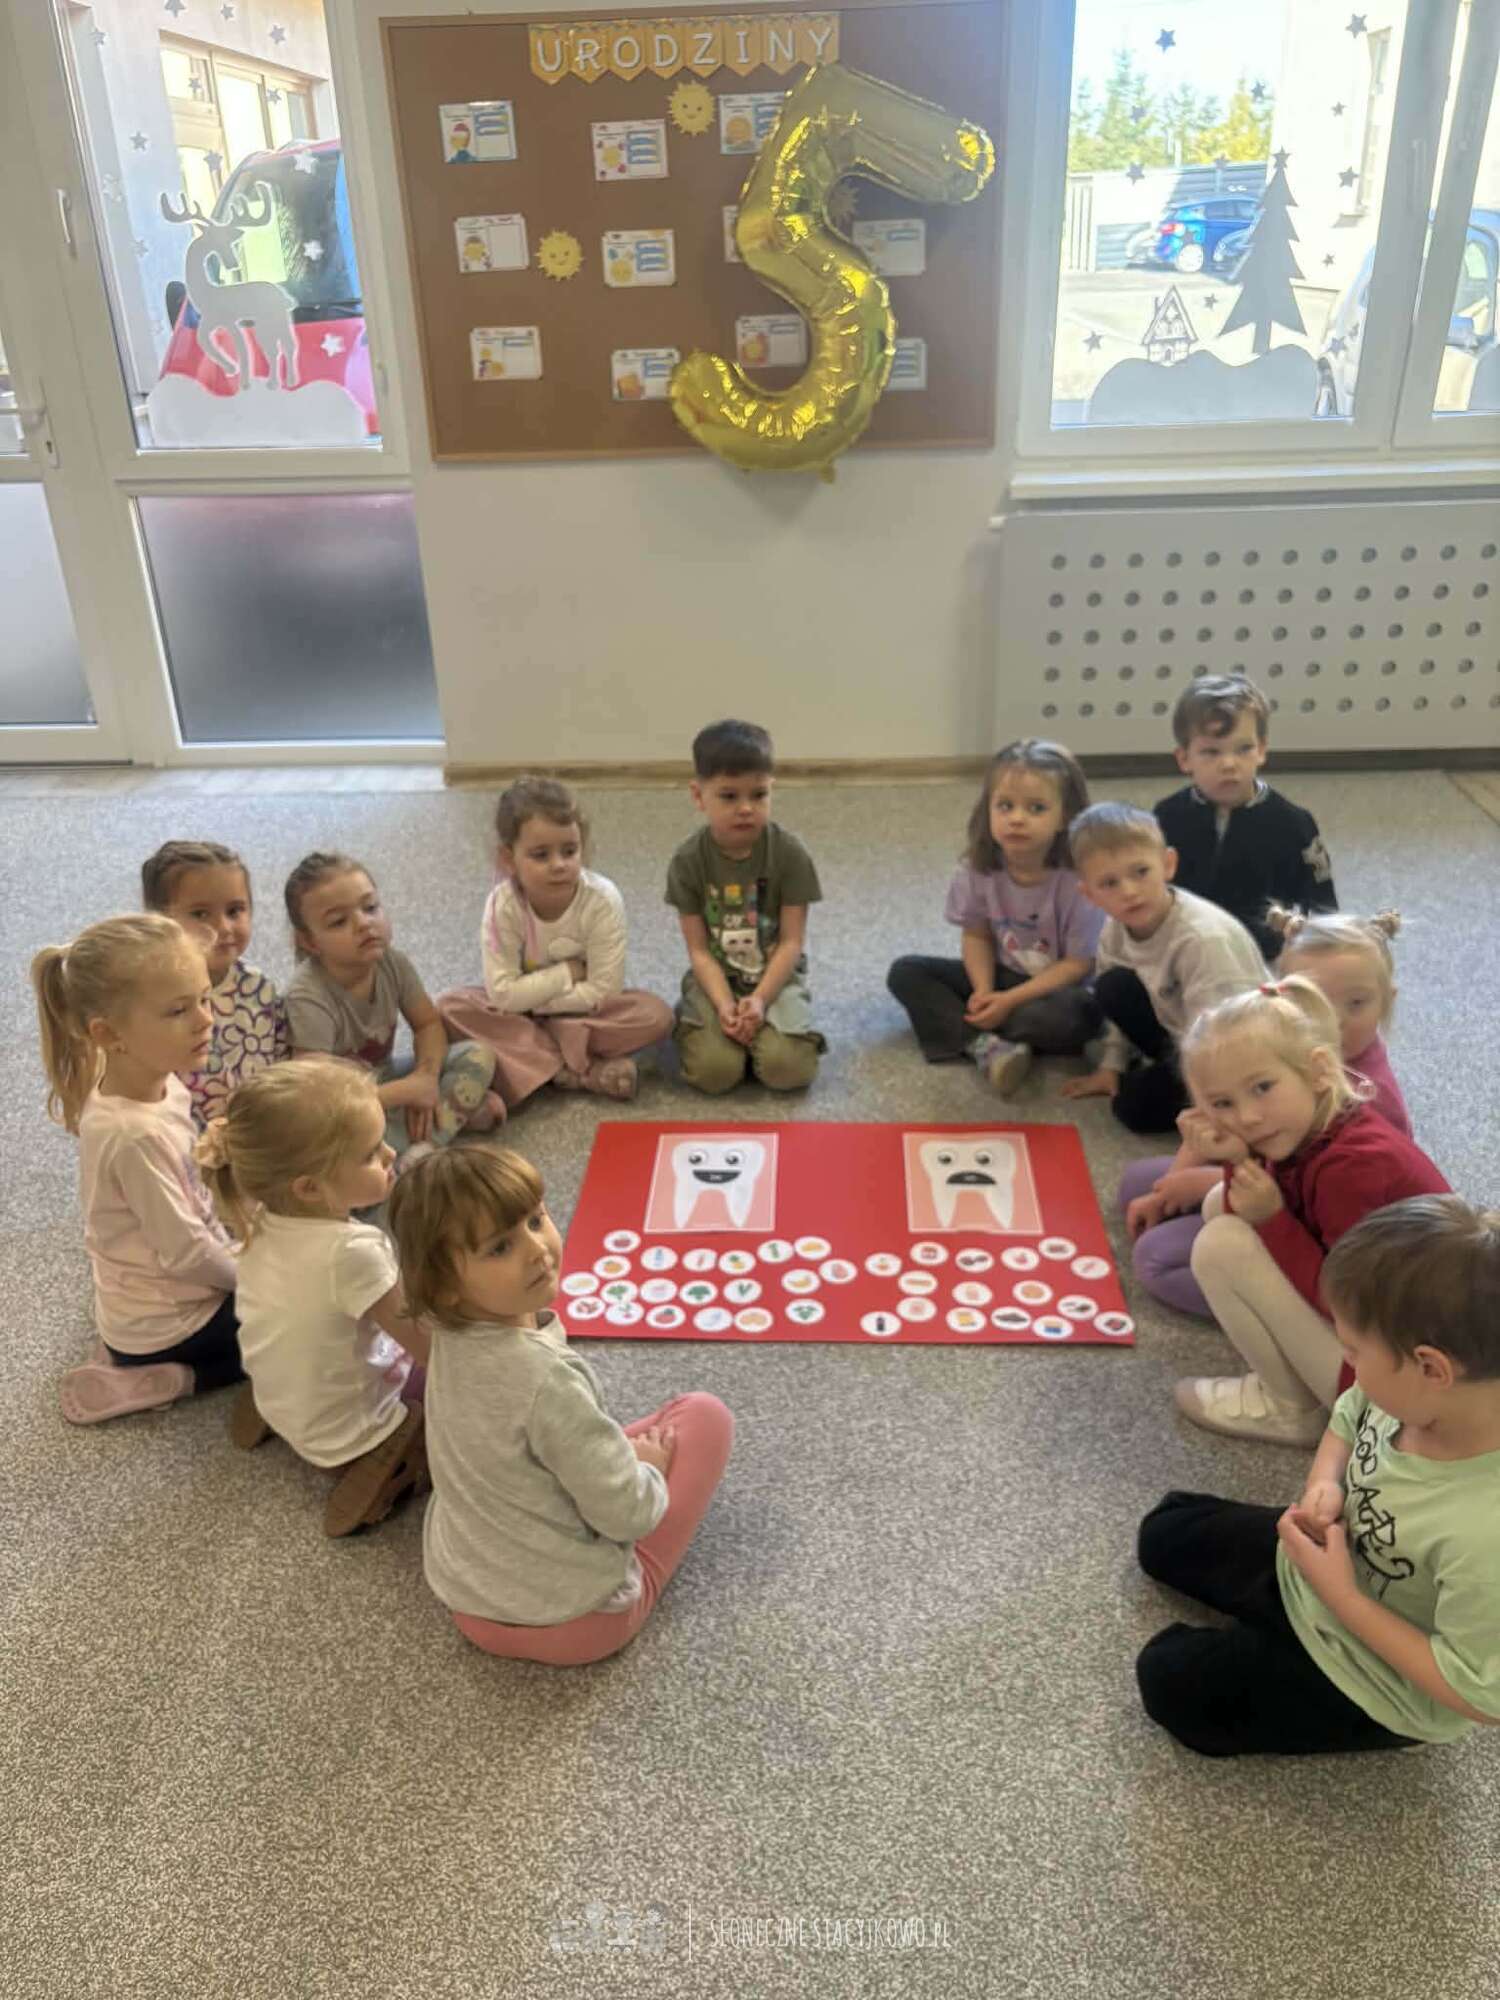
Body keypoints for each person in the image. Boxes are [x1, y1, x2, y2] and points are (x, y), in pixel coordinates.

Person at [1136, 1196, 1500, 1757]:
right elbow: (1348, 1418)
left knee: (1166, 1681)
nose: (1347, 1362)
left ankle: (1294, 1667)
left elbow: (1478, 1693)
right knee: (1164, 1528)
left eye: (1354, 1350)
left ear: (1432, 1367)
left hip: (1375, 1681)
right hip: (1321, 1563)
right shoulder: (1413, 1394)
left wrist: (1341, 1595)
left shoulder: (1487, 1535)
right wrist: (1324, 1483)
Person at [387, 1147, 734, 1666]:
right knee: (706, 1417)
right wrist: (647, 1471)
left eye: (535, 1220)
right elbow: (628, 1514)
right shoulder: (546, 1379)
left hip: (470, 1606)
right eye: (500, 1247)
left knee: (582, 1447)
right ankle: (631, 1573)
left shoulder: (444, 1333)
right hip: (578, 1624)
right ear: (446, 1286)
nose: (537, 1249)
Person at [1173, 979, 1449, 1445]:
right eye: (1222, 1104)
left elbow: (1348, 1304)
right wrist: (1237, 1158)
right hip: (1392, 1348)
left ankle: (1291, 1409)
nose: (1247, 1117)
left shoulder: (1352, 1167)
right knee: (1222, 1203)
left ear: (1319, 1071)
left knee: (1221, 1246)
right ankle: (1299, 1384)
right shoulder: (1313, 1127)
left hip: (1402, 1406)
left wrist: (1270, 1219)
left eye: (1262, 1087)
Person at [1120, 903, 1411, 1317]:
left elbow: (1307, 1200)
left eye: (1356, 1003)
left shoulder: (1367, 1104)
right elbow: (1236, 1126)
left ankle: (1263, 1314)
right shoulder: (1277, 1045)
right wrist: (1181, 1181)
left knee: (1156, 1260)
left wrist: (1206, 1185)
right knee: (1139, 1183)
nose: (1334, 1022)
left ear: (1386, 1001)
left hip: (1303, 1222)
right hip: (1268, 1175)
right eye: (1314, 1002)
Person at [195, 1057, 429, 1537]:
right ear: (308, 1188)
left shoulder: (259, 1218)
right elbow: (426, 1345)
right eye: (370, 1154)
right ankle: (385, 1461)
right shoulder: (354, 1252)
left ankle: (277, 1414)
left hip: (280, 1400)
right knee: (458, 1389)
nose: (391, 1154)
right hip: (348, 1436)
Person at [32, 914, 241, 1424]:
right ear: (108, 1033)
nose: (205, 1020)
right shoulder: (135, 1135)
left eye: (204, 998)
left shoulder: (145, 1075)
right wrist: (254, 1277)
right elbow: (187, 1253)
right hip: (169, 1325)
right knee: (302, 1321)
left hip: (142, 1295)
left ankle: (132, 1352)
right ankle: (174, 1378)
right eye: (178, 1010)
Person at [435, 774, 673, 1109]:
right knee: (449, 1008)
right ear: (509, 858)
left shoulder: (602, 900)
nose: (559, 865)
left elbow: (605, 991)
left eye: (569, 851)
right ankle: (581, 1071)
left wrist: (535, 1004)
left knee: (656, 1015)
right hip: (523, 1015)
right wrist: (568, 973)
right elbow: (501, 994)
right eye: (540, 855)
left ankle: (538, 1065)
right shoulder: (502, 905)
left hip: (576, 1014)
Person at [885, 739, 1102, 1096]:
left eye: (1036, 808)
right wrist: (984, 990)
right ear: (987, 809)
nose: (1016, 818)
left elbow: (1078, 965)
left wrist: (1008, 1002)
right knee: (907, 971)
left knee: (1076, 1016)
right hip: (1005, 976)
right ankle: (986, 1045)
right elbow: (977, 935)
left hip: (1061, 989)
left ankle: (971, 1032)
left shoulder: (1079, 879)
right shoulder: (976, 869)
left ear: (1065, 816)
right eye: (1005, 806)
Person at [1060, 802, 1266, 1133]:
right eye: (1109, 883)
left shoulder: (1203, 940)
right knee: (1111, 985)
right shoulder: (1115, 929)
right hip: (1183, 1030)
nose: (1129, 891)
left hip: (1240, 1051)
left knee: (1132, 1108)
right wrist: (1112, 1065)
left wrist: (1216, 1111)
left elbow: (1228, 1040)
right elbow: (1117, 1006)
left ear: (1168, 865)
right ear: (1089, 895)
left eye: (1141, 872)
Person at [282, 850, 497, 1167]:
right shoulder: (307, 997)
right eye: (339, 921)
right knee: (338, 1148)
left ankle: (421, 1146)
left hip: (385, 1078)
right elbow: (318, 1093)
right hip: (342, 1105)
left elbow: (427, 1024)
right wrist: (407, 1092)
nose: (363, 923)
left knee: (478, 1055)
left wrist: (426, 1077)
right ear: (310, 942)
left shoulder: (392, 962)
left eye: (370, 907)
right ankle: (438, 1126)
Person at [665, 719, 824, 1094]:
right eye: (729, 796)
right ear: (698, 796)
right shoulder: (687, 862)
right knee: (714, 1074)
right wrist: (724, 1005)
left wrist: (760, 1000)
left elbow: (791, 942)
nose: (746, 808)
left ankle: (758, 1038)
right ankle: (705, 1025)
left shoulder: (790, 854)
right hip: (715, 978)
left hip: (774, 976)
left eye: (759, 794)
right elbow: (699, 951)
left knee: (789, 1071)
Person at [1155, 673, 1337, 962]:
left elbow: (1321, 900)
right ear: (1184, 758)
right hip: (1183, 948)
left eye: (1244, 749)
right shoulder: (1166, 817)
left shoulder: (1293, 823)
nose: (1229, 764)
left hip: (1265, 953)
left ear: (1261, 750)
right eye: (1211, 752)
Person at [141, 838, 287, 1128]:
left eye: (234, 911)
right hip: (184, 1137)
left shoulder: (261, 987)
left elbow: (282, 1058)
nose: (223, 927)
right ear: (160, 921)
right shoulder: (153, 1000)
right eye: (200, 914)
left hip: (257, 1132)